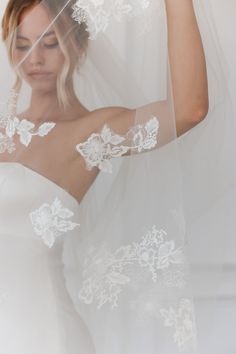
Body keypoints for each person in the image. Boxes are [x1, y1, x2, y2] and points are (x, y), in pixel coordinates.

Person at [0, 0, 231, 353]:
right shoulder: (4, 130)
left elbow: (188, 110)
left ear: (77, 46)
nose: (34, 58)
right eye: (21, 44)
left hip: (42, 333)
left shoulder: (90, 133)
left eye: (50, 43)